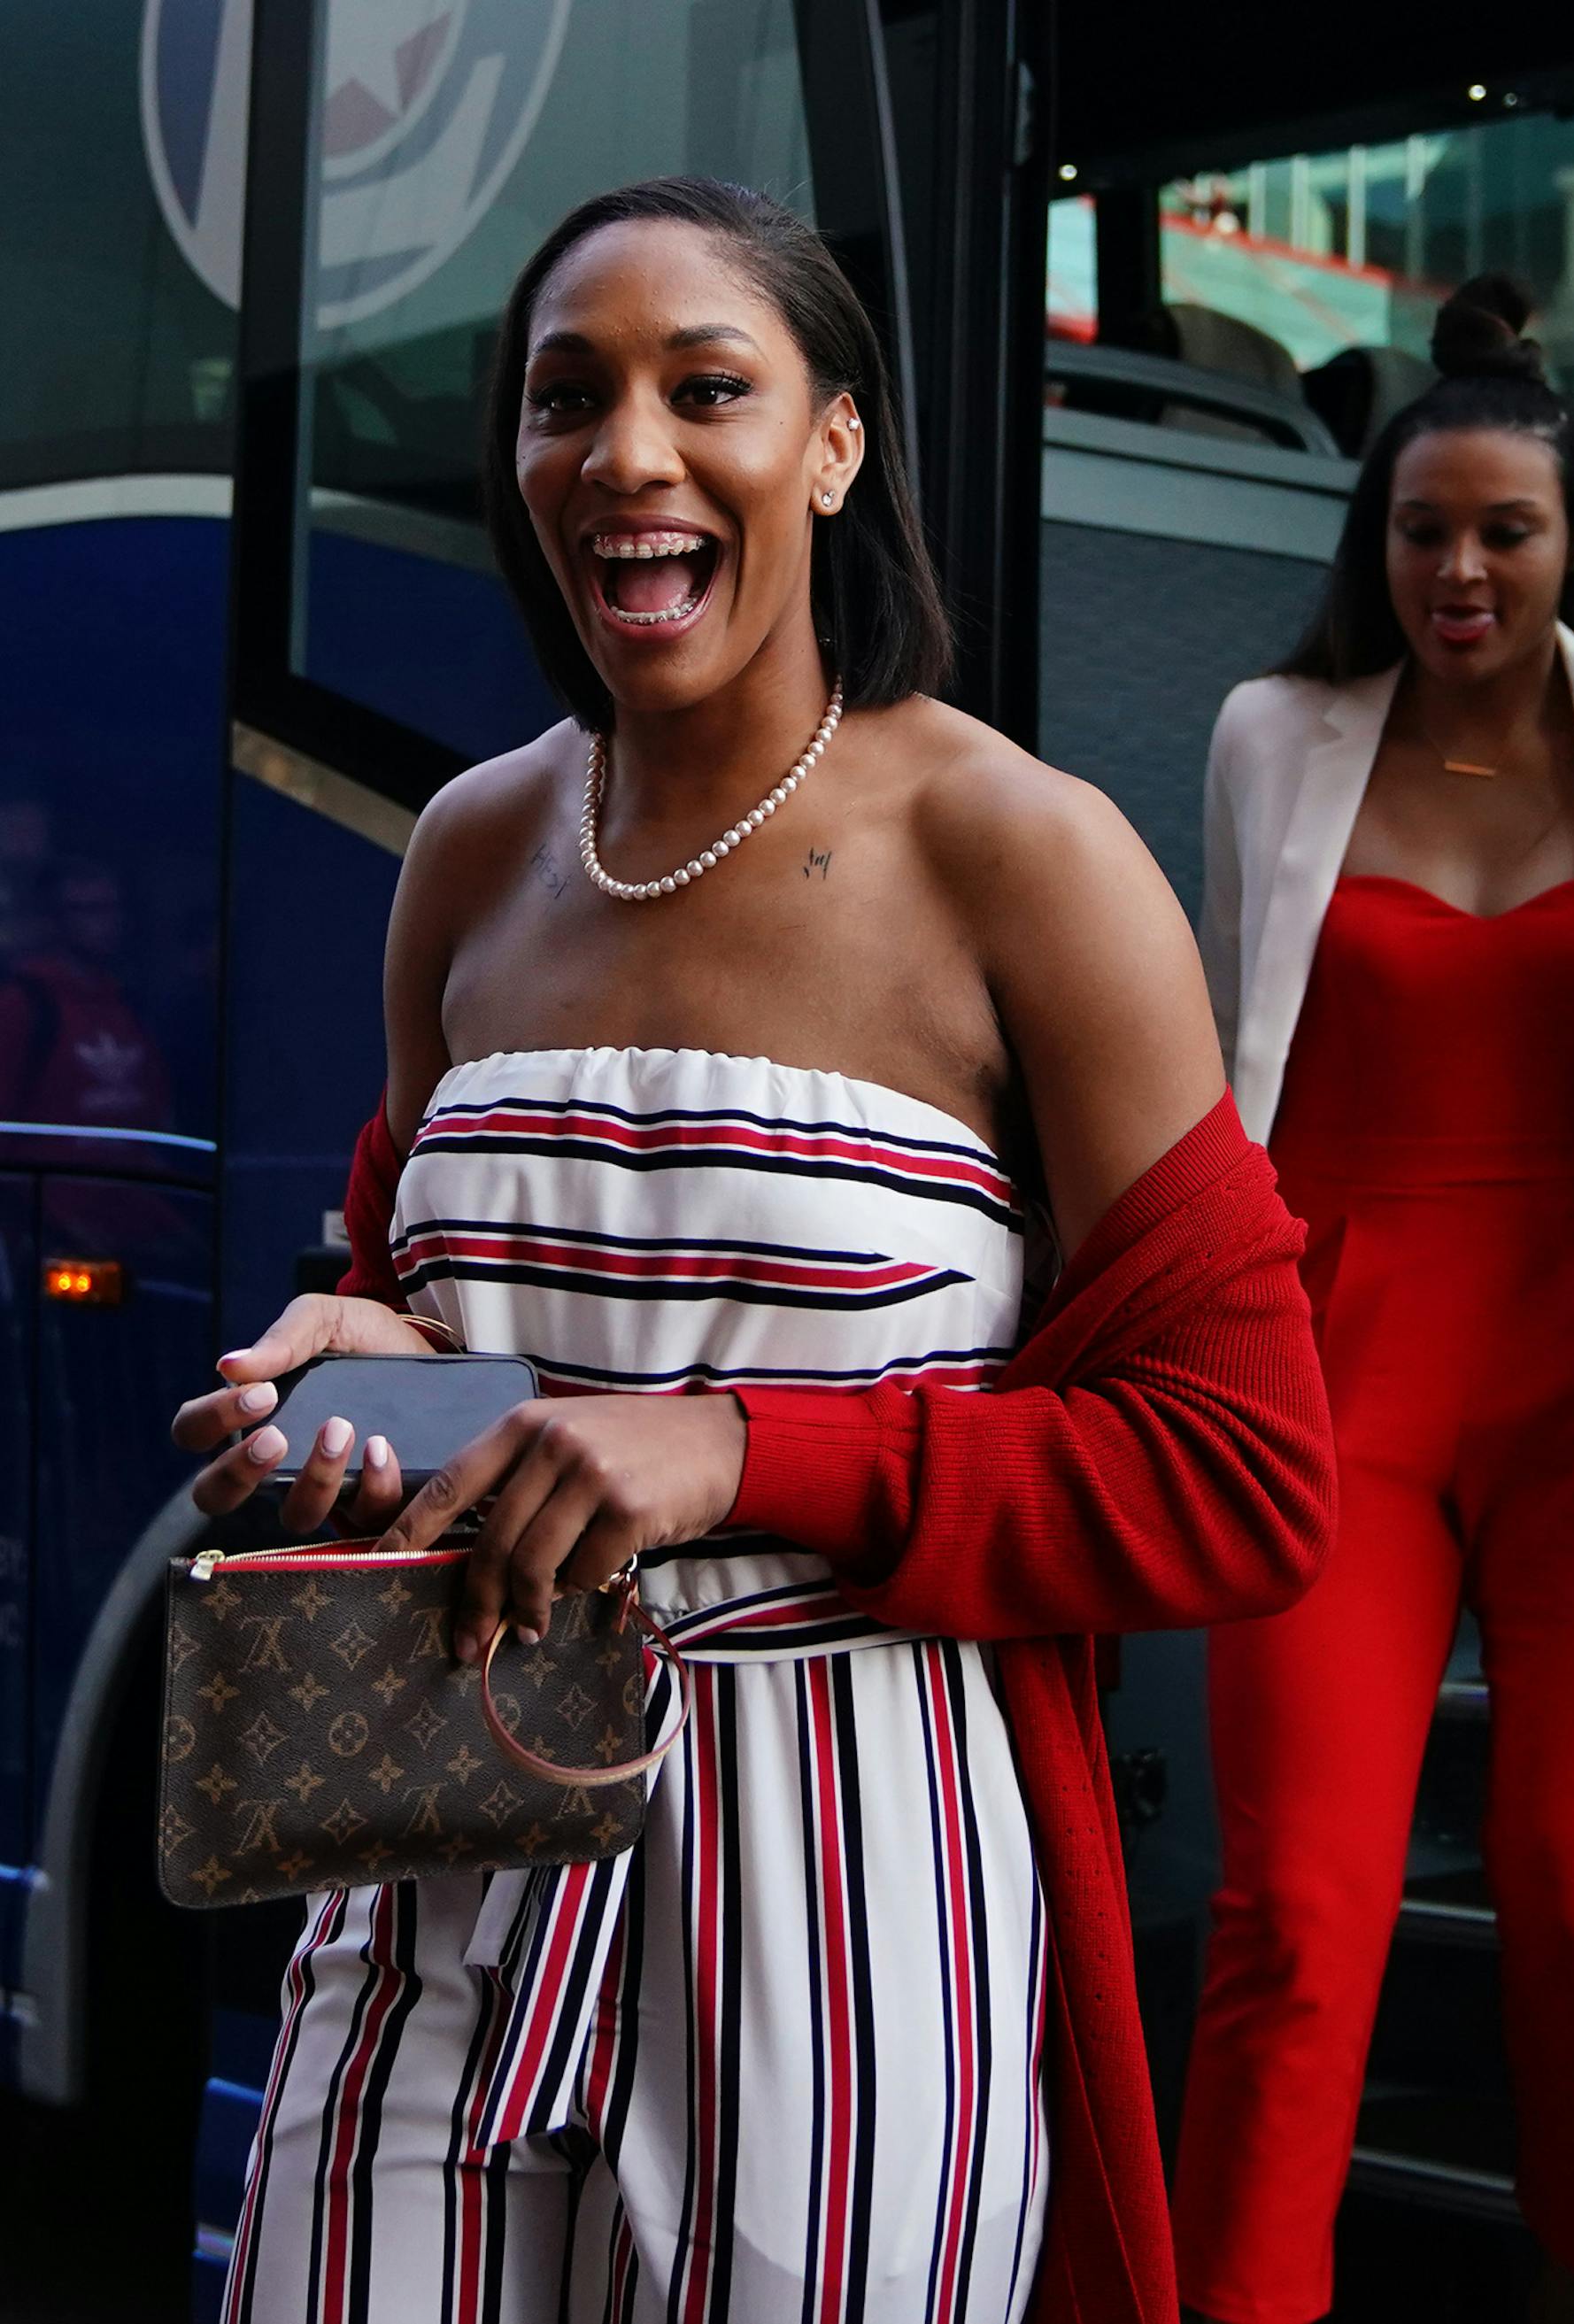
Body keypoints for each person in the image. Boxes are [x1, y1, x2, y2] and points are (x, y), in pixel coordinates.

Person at [170, 178, 1337, 2324]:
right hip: (446, 1836)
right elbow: (459, 1326)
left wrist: (740, 1443)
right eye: (563, 398)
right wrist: (360, 1372)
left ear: (834, 444)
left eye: (706, 386)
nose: (622, 452)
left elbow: (1246, 1473)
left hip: (852, 1885)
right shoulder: (471, 847)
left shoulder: (1032, 860)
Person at [1171, 275, 1574, 2324]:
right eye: (1421, 530)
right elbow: (1224, 1033)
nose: (1457, 567)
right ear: (1378, 547)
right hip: (1332, 1369)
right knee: (1300, 1897)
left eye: (1501, 531)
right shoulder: (1273, 735)